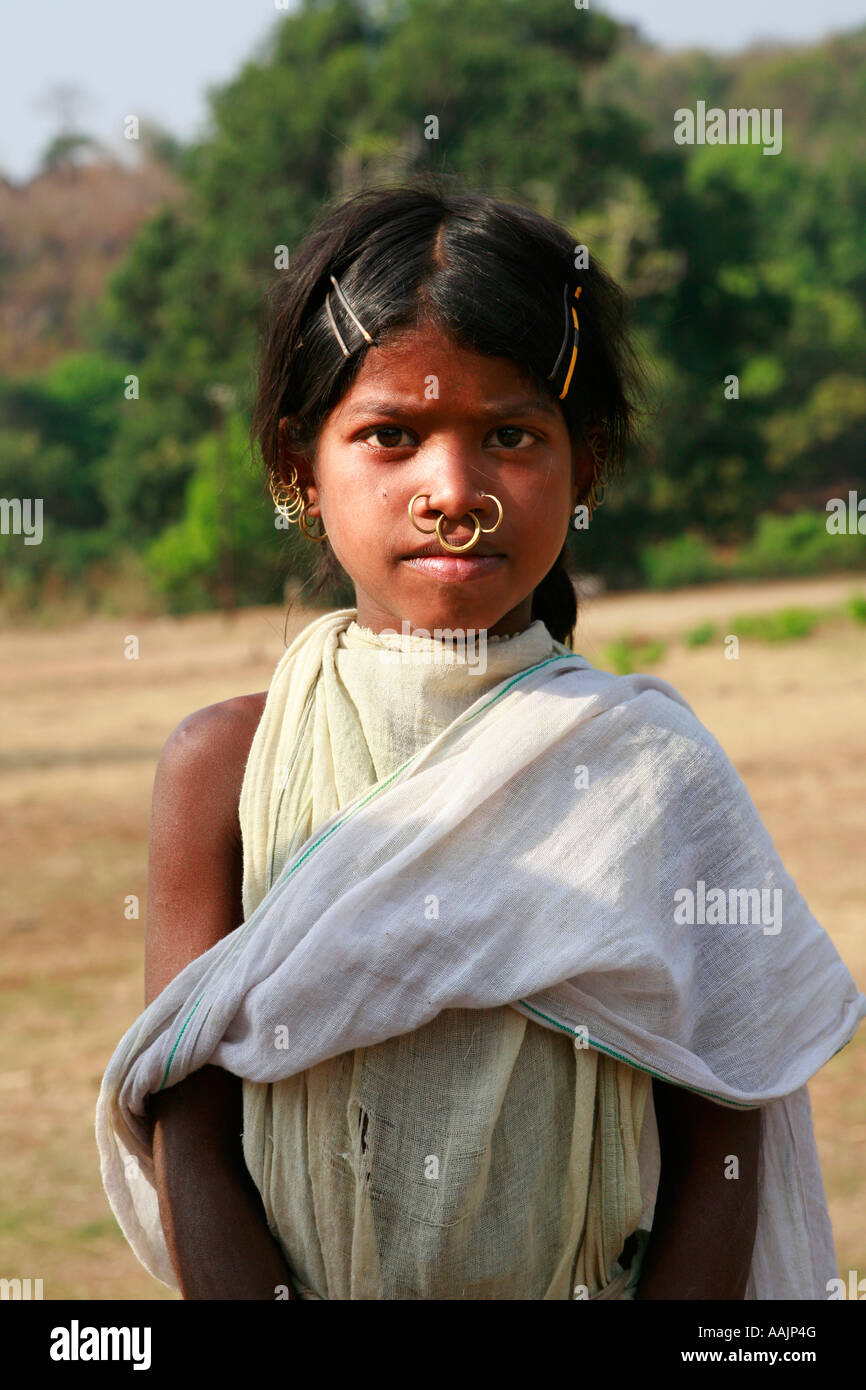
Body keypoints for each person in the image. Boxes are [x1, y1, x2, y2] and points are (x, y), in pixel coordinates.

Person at [96, 178, 865, 1300]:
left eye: (509, 433)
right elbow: (190, 1129)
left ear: (584, 461)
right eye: (390, 437)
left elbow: (722, 1142)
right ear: (294, 466)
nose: (453, 492)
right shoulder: (226, 769)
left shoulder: (645, 768)